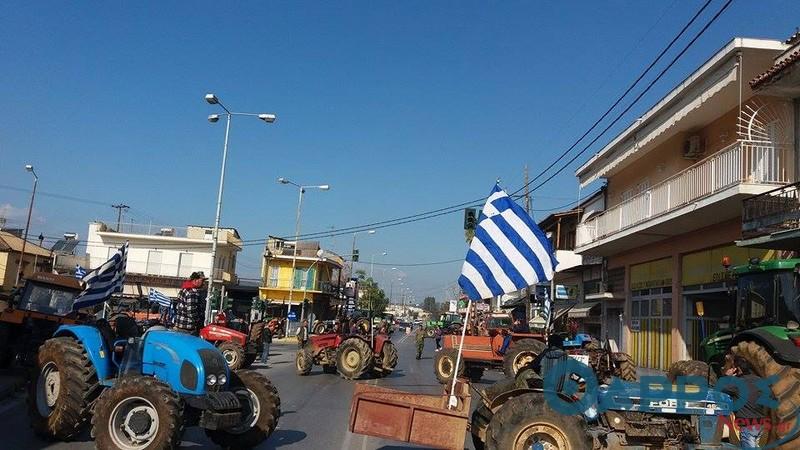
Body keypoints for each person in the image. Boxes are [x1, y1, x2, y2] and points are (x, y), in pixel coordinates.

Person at [722, 354, 766, 448]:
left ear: (737, 369)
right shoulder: (759, 380)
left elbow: (720, 388)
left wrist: (727, 376)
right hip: (760, 424)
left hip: (748, 425)